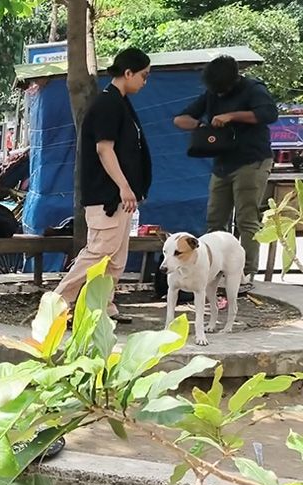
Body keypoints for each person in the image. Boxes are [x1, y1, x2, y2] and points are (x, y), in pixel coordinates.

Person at [55, 48, 152, 322]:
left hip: (122, 197)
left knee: (116, 258)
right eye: (143, 76)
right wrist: (123, 186)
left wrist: (131, 190)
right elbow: (104, 149)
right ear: (129, 73)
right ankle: (56, 303)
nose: (145, 82)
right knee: (98, 253)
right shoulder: (108, 103)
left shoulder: (121, 102)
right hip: (106, 195)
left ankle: (102, 307)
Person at [174, 55, 279, 290]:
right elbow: (180, 119)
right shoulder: (212, 94)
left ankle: (247, 274)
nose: (219, 94)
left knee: (246, 218)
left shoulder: (253, 89)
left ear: (233, 80)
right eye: (216, 90)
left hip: (252, 161)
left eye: (223, 89)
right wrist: (201, 125)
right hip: (223, 164)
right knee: (215, 219)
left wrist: (232, 116)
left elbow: (269, 114)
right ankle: (214, 270)